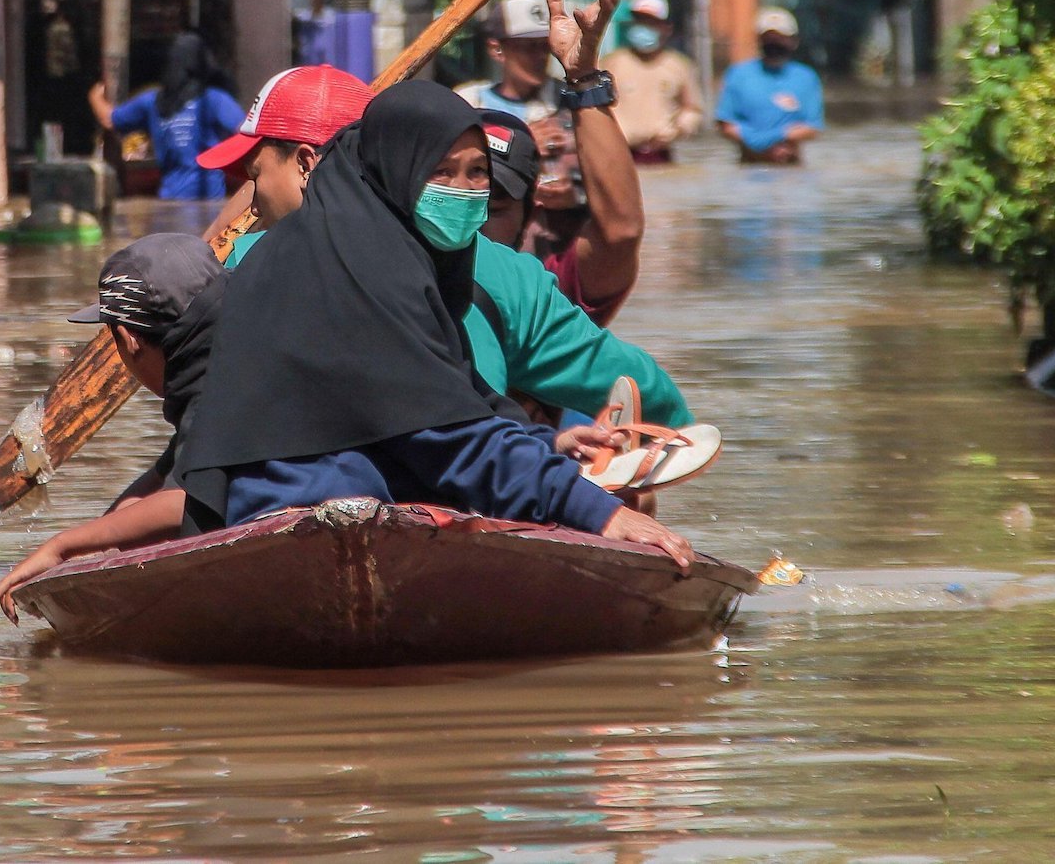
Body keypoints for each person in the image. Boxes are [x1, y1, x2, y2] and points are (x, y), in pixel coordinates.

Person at [173, 83, 691, 566]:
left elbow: (450, 396)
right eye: (439, 172)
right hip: (300, 509)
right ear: (395, 172)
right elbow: (441, 431)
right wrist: (599, 512)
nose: (463, 192)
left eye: (476, 173)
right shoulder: (354, 266)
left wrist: (548, 446)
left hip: (373, 488)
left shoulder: (395, 255)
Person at [0, 235, 221, 617]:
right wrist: (94, 548)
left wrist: (63, 547)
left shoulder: (214, 390)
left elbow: (190, 498)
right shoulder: (226, 355)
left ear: (128, 340)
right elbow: (166, 478)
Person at [474, 0, 645, 323]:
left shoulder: (549, 293)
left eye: (543, 46)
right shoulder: (465, 103)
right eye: (526, 47)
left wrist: (583, 80)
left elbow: (617, 211)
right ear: (498, 49)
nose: (538, 57)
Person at [196, 64, 374, 249]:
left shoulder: (272, 268)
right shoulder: (394, 245)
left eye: (256, 178)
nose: (254, 209)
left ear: (305, 165)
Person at [88, 33, 246, 200]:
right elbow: (246, 132)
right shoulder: (213, 100)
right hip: (210, 203)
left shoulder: (151, 102)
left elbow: (109, 119)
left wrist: (94, 96)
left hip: (170, 202)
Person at [716, 7, 825, 165]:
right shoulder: (738, 75)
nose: (774, 43)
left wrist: (776, 137)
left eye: (780, 38)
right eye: (769, 38)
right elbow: (725, 123)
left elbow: (812, 127)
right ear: (759, 40)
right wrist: (755, 142)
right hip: (748, 165)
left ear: (793, 40)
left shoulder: (806, 77)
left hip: (790, 167)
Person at [608, 0, 705, 163]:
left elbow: (692, 108)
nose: (644, 27)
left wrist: (677, 129)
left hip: (660, 154)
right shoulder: (612, 63)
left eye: (651, 23)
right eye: (639, 21)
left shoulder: (679, 65)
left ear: (667, 28)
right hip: (618, 151)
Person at [456, 0, 560, 124]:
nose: (541, 55)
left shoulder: (566, 100)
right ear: (496, 49)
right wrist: (524, 142)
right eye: (529, 46)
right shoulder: (468, 101)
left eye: (546, 45)